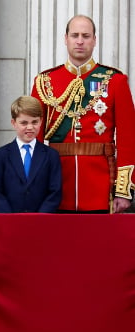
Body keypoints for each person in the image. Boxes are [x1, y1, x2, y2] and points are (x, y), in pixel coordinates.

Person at [31, 14, 135, 213]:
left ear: (94, 40)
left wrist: (122, 190)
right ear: (66, 39)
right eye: (75, 35)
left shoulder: (115, 81)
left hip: (101, 184)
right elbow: (33, 138)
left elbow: (128, 139)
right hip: (56, 183)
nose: (80, 41)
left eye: (86, 36)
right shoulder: (45, 82)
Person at [0, 96, 62, 213]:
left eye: (34, 122)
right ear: (14, 123)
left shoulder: (51, 155)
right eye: (24, 123)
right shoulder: (1, 154)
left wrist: (40, 217)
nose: (30, 127)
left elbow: (55, 191)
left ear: (41, 121)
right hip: (10, 221)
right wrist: (9, 217)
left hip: (41, 222)